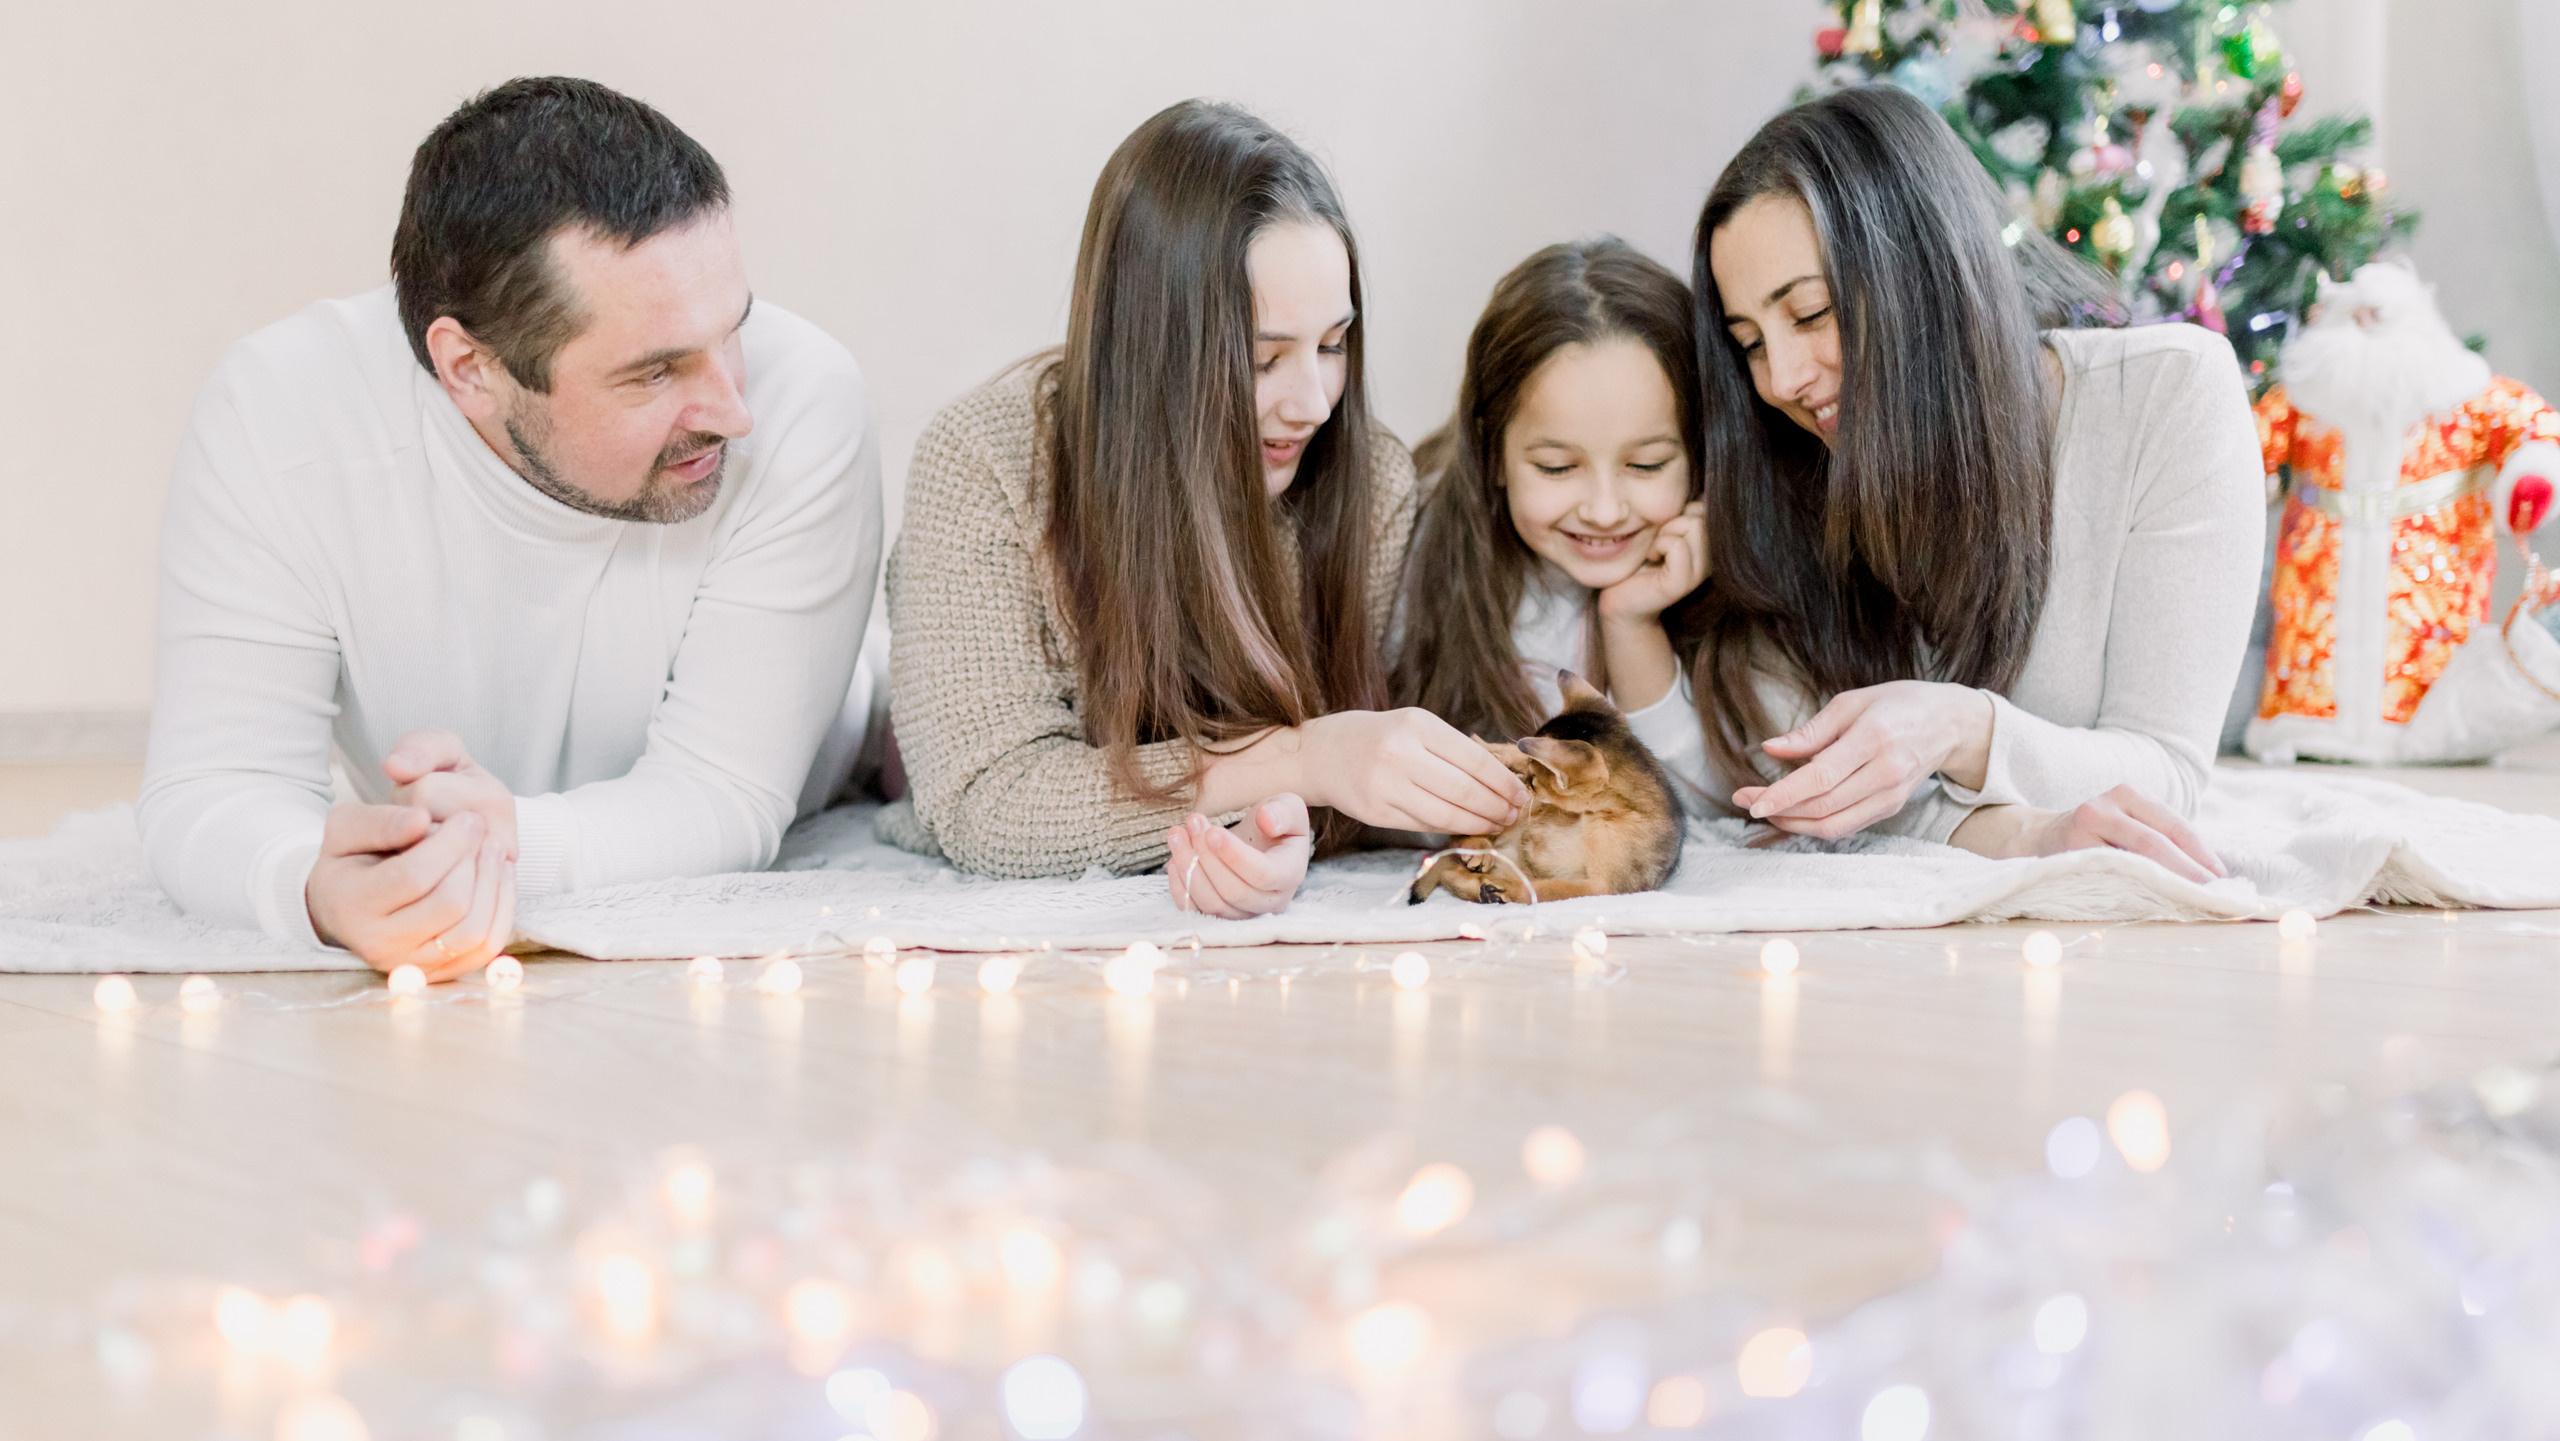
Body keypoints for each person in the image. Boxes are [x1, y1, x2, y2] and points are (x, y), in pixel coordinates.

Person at [140, 77, 883, 979]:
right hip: (453, 823)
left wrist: (513, 840)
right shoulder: (279, 416)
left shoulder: (805, 397)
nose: (734, 410)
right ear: (469, 368)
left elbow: (726, 795)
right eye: (654, 374)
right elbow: (214, 784)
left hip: (821, 759)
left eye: (734, 330)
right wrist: (314, 887)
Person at [884, 99, 1530, 919]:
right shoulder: (987, 460)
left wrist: (1278, 821)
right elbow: (990, 804)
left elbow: (1352, 779)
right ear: (1152, 350)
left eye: (1334, 346)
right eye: (1262, 360)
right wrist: (1303, 759)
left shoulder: (1372, 482)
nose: (1314, 403)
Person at [1690, 86, 2260, 881]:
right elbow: (1825, 794)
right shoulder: (1784, 468)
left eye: (1812, 313)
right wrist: (2025, 835)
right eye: (1749, 341)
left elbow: (2165, 773)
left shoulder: (2166, 397)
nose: (1781, 378)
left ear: (1922, 273)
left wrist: (1958, 727)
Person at [1393, 237, 1714, 813]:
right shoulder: (1413, 555)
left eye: (1646, 465)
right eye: (1557, 467)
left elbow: (1704, 816)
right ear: (1491, 452)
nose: (1605, 509)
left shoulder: (1717, 563)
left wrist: (1632, 627)